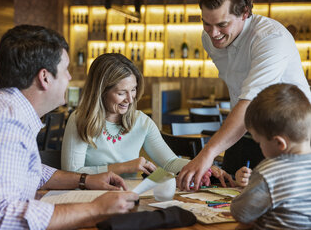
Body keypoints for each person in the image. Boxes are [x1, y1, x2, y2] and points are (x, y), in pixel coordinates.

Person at [0, 25, 139, 230]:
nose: (69, 78)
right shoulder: (2, 123)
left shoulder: (4, 108)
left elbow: (32, 171)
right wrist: (95, 209)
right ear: (45, 77)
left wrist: (85, 180)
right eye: (65, 70)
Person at [177, 0, 311, 191]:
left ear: (244, 13)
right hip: (242, 132)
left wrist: (207, 154)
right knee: (224, 200)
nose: (213, 34)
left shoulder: (270, 38)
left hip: (287, 140)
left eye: (222, 24)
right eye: (206, 23)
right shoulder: (209, 39)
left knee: (274, 211)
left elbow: (250, 102)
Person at [61, 53, 233, 186]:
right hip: (89, 197)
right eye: (121, 93)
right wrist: (123, 167)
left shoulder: (141, 121)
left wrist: (203, 167)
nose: (130, 99)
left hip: (127, 197)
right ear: (101, 92)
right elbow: (71, 173)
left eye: (133, 90)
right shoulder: (79, 120)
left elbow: (170, 162)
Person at [230, 83, 311, 229]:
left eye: (259, 141)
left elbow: (241, 213)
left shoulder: (269, 170)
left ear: (279, 143)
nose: (259, 146)